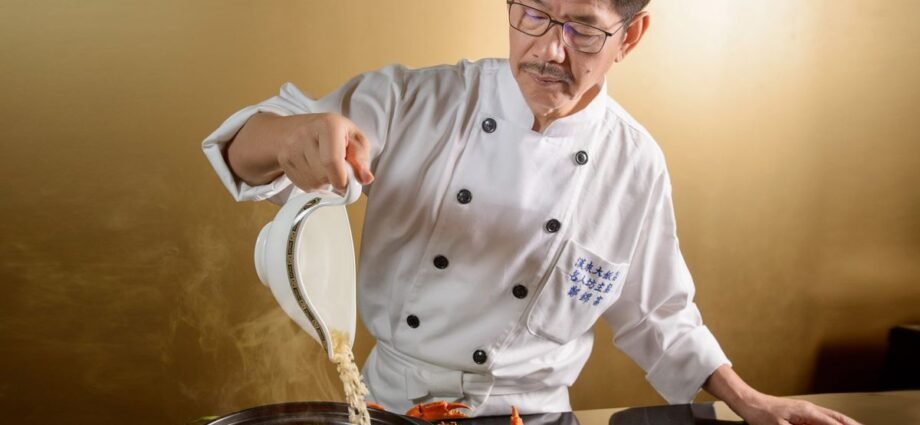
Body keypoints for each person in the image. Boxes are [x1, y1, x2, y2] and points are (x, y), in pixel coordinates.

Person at [202, 1, 860, 424]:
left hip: (536, 418)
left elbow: (659, 313)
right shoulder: (415, 100)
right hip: (389, 407)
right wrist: (291, 138)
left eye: (582, 29)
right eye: (533, 15)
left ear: (630, 36)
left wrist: (751, 401)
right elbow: (241, 150)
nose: (549, 49)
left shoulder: (632, 162)